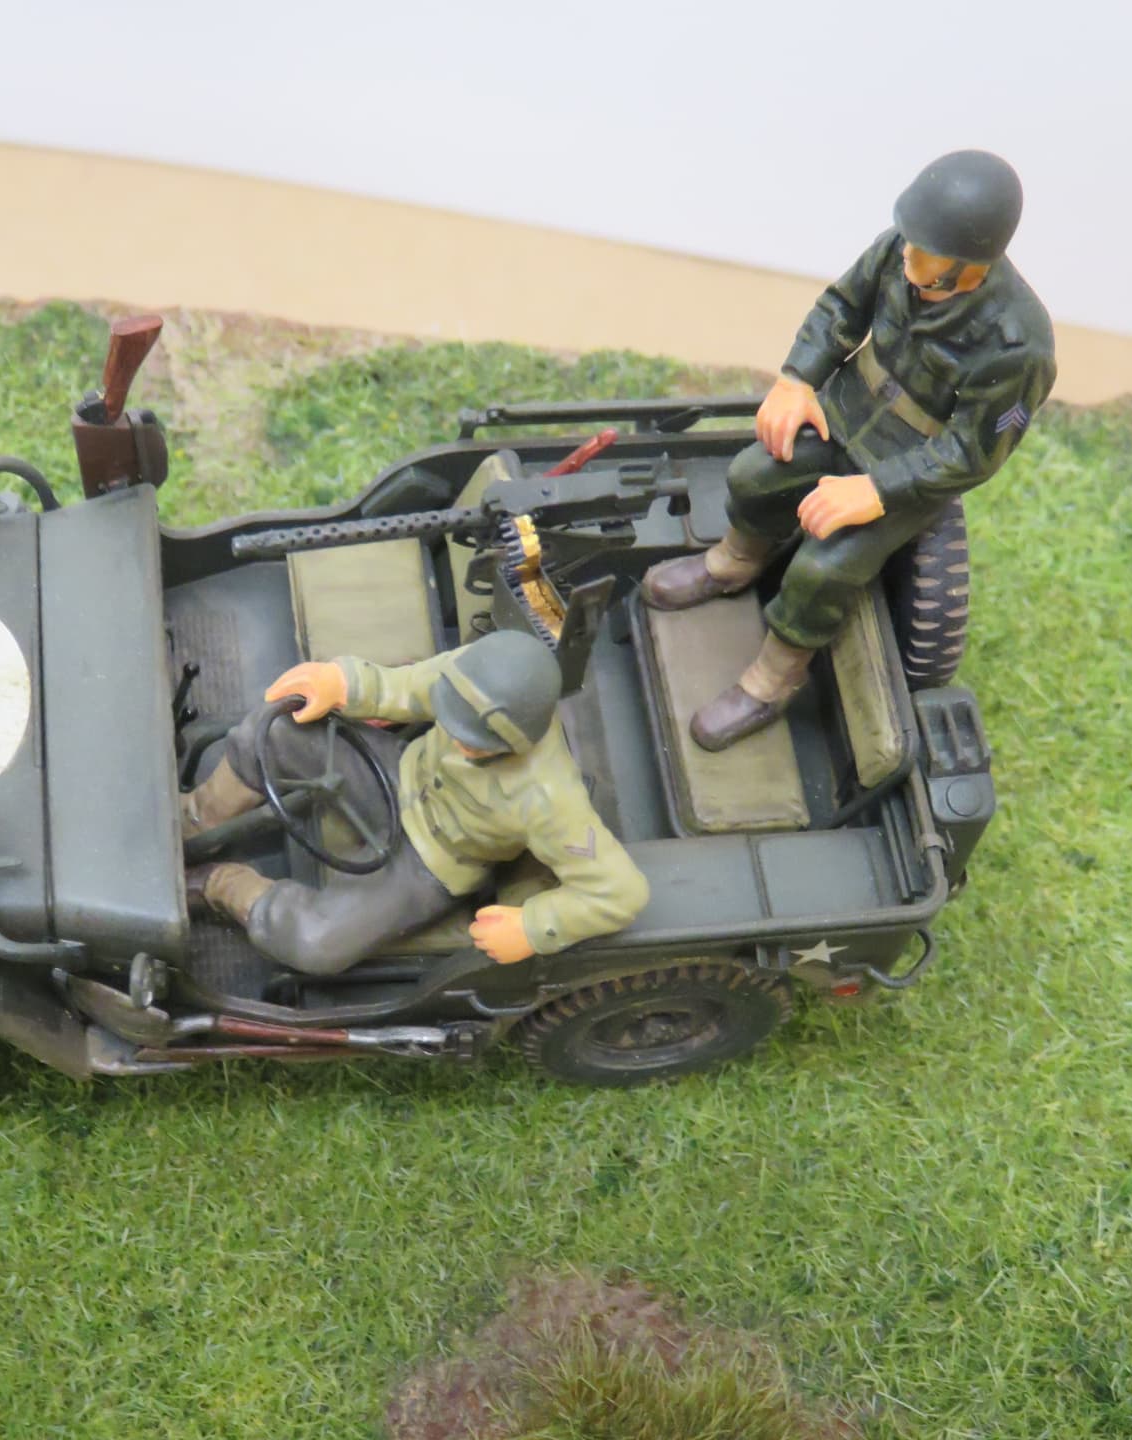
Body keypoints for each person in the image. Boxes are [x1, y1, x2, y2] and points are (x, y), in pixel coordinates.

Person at [642, 149, 1057, 750]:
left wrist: (879, 490)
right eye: (911, 242)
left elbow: (973, 453)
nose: (908, 256)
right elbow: (841, 309)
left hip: (909, 466)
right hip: (842, 410)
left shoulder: (1017, 345)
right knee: (755, 474)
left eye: (926, 253)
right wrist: (796, 380)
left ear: (970, 264)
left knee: (824, 568)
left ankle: (774, 679)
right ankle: (733, 562)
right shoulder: (901, 251)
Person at [182, 629, 650, 976]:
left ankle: (222, 884)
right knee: (274, 728)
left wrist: (533, 927)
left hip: (433, 861)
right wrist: (343, 682)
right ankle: (197, 818)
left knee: (315, 940)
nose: (458, 739)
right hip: (397, 772)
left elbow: (620, 893)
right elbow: (407, 687)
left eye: (474, 739)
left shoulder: (548, 800)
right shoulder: (471, 677)